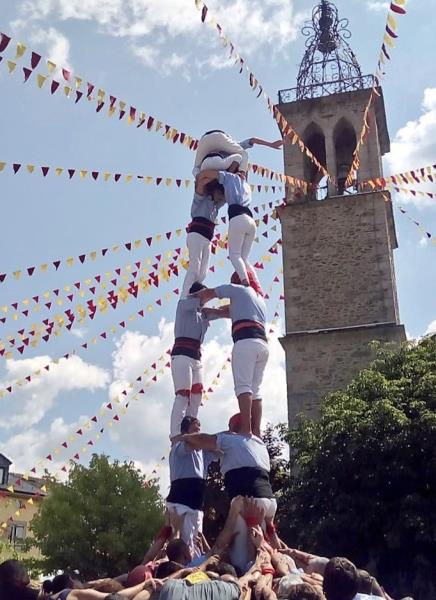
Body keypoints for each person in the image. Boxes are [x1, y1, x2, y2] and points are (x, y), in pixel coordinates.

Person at [173, 413, 277, 571]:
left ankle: (246, 579)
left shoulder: (231, 440)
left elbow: (203, 440)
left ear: (233, 429)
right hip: (269, 502)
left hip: (247, 500)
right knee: (264, 543)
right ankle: (270, 567)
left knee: (241, 555)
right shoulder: (259, 444)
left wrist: (183, 437)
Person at [192, 272, 268, 436]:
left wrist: (195, 298)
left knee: (243, 387)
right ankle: (256, 431)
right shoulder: (259, 300)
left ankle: (246, 430)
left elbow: (209, 293)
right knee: (256, 390)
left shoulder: (238, 290)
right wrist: (214, 312)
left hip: (245, 341)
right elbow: (227, 312)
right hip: (262, 344)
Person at [167, 416, 219, 558]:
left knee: (195, 545)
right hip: (182, 503)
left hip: (196, 505)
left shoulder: (202, 453)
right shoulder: (179, 447)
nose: (198, 434)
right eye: (195, 430)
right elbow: (192, 444)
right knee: (181, 546)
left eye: (199, 431)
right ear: (186, 432)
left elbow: (219, 450)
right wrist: (187, 439)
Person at [170, 282, 211, 439]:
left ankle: (190, 428)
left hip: (196, 357)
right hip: (182, 355)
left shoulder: (203, 314)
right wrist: (202, 298)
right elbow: (194, 303)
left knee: (197, 394)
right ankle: (175, 433)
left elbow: (220, 312)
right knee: (183, 395)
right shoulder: (184, 306)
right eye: (203, 294)